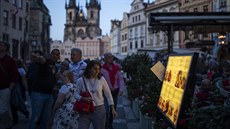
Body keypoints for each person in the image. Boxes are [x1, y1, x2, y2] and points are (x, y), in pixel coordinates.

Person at [75, 60, 117, 129]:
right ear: (89, 68)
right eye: (95, 69)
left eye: (98, 69)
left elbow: (108, 94)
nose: (97, 71)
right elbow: (75, 94)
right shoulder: (81, 80)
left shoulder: (101, 79)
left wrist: (112, 108)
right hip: (85, 109)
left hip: (99, 110)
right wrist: (83, 98)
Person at [28, 49, 60, 129]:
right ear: (50, 54)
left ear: (59, 57)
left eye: (57, 54)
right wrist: (38, 57)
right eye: (53, 53)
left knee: (45, 119)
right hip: (38, 94)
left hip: (49, 96)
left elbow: (52, 80)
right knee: (35, 118)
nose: (54, 56)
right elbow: (42, 60)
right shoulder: (46, 62)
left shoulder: (55, 67)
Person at [101, 52, 125, 129]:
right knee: (106, 110)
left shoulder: (116, 68)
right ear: (105, 59)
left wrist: (121, 89)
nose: (111, 58)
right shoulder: (101, 69)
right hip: (105, 92)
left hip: (115, 91)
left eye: (111, 57)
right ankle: (105, 126)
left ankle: (110, 125)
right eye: (109, 57)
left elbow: (120, 79)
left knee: (112, 110)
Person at [0, 41, 19, 129]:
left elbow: (15, 75)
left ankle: (7, 125)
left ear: (5, 48)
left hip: (5, 88)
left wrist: (10, 89)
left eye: (1, 45)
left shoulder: (10, 60)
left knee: (3, 110)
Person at [10, 59, 29, 125]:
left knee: (13, 103)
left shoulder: (12, 70)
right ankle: (25, 112)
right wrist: (26, 88)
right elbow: (23, 81)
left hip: (13, 88)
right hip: (20, 88)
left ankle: (16, 118)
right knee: (20, 102)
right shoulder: (22, 70)